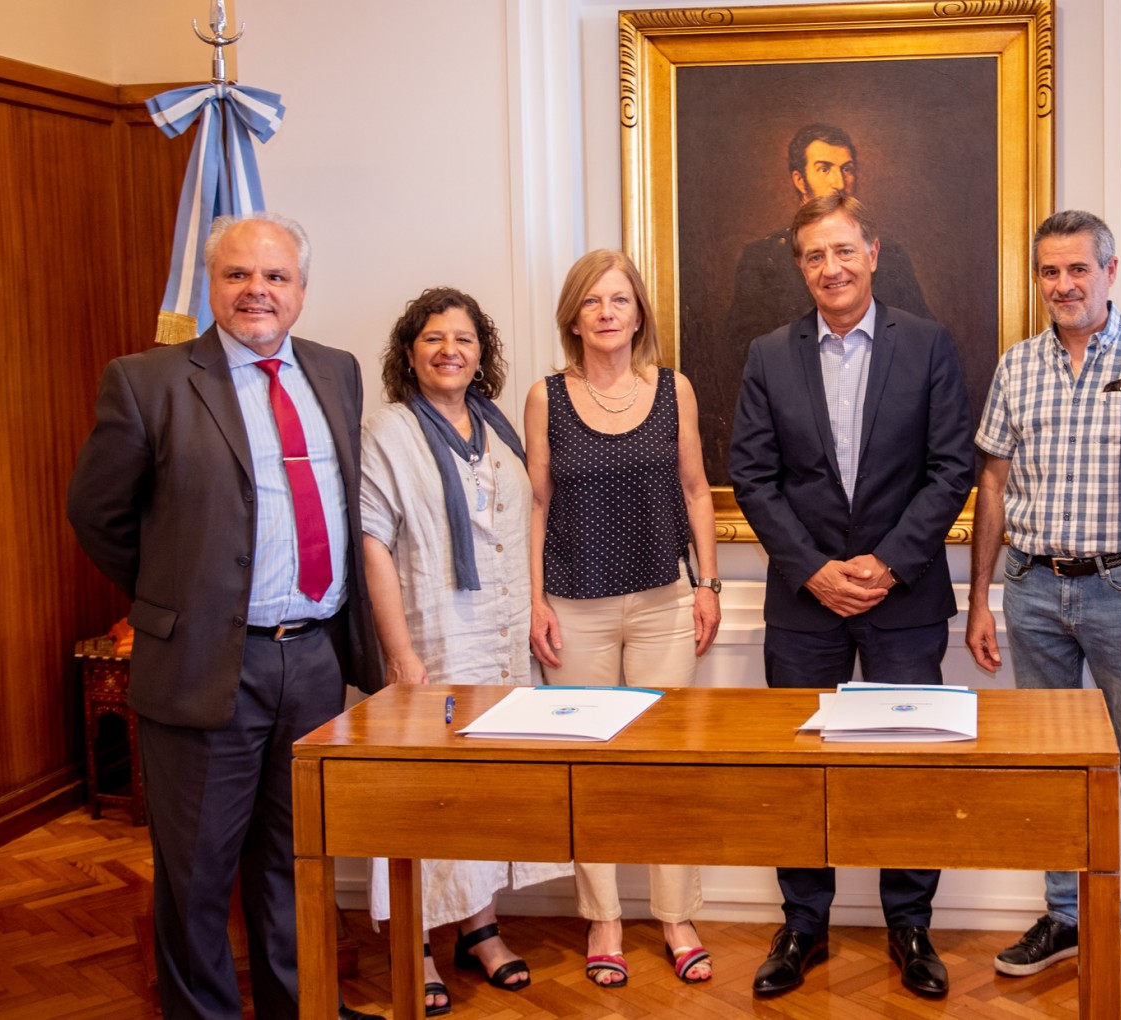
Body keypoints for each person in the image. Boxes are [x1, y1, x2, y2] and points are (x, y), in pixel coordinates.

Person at [66, 212, 383, 1020]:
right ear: (211, 286)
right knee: (199, 871)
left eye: (276, 277)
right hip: (208, 661)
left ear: (302, 291)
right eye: (239, 275)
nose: (257, 292)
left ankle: (297, 1006)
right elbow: (100, 514)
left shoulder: (336, 372)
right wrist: (181, 599)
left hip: (312, 661)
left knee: (292, 859)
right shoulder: (148, 381)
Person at [729, 192, 974, 999]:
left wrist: (888, 564)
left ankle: (910, 923)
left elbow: (950, 470)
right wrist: (814, 571)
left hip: (902, 598)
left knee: (911, 767)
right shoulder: (769, 354)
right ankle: (803, 923)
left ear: (871, 251)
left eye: (842, 252)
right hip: (804, 604)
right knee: (799, 768)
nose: (829, 269)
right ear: (800, 267)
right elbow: (755, 478)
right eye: (812, 257)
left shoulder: (929, 343)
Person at [965, 210, 1121, 1002]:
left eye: (1078, 269)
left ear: (1110, 272)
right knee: (1051, 766)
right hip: (1033, 589)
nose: (1063, 285)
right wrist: (983, 598)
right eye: (1050, 272)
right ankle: (1062, 915)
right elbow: (991, 484)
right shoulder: (1016, 367)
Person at [360, 286, 569, 1014]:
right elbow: (373, 542)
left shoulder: (496, 426)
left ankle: (479, 928)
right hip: (432, 638)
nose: (450, 349)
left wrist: (537, 606)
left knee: (485, 786)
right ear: (409, 354)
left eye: (465, 339)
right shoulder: (386, 431)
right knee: (422, 792)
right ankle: (412, 941)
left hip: (503, 636)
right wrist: (398, 652)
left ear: (482, 354)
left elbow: (527, 523)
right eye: (433, 339)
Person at [525, 250, 722, 989]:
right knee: (592, 765)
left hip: (664, 603)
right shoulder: (547, 397)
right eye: (593, 301)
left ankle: (675, 915)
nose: (608, 312)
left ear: (640, 313)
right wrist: (536, 599)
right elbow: (538, 505)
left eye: (621, 300)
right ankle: (604, 917)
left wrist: (707, 584)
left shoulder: (674, 390)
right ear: (573, 316)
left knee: (666, 765)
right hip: (574, 605)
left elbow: (697, 490)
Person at [706, 123, 937, 476]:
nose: (839, 181)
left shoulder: (895, 257)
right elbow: (737, 357)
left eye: (846, 168)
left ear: (872, 255)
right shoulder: (761, 257)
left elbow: (918, 361)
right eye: (824, 168)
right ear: (800, 180)